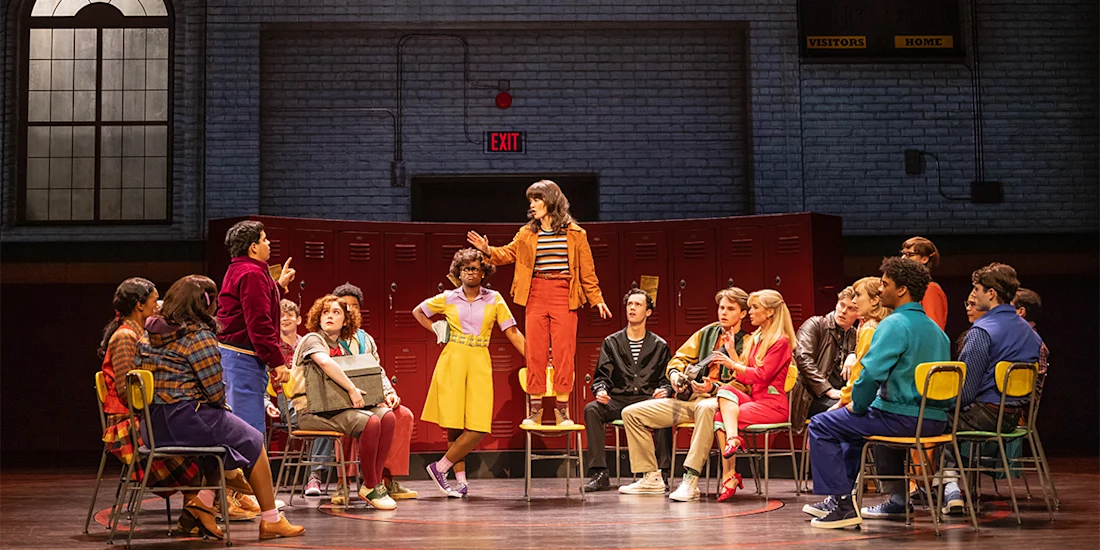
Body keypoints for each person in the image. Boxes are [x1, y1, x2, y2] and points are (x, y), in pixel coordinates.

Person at [138, 275, 304, 540]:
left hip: (152, 426)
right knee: (253, 439)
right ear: (205, 304)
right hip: (186, 418)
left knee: (222, 441)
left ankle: (200, 506)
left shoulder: (147, 337)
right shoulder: (198, 337)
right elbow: (215, 391)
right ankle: (271, 519)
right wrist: (220, 406)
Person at [803, 257, 950, 529]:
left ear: (902, 289)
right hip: (935, 421)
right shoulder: (937, 331)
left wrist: (856, 407)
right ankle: (844, 498)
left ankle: (844, 505)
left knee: (822, 424)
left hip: (902, 419)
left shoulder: (894, 324)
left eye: (885, 284)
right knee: (851, 430)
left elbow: (869, 375)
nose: (880, 290)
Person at [466, 180, 610, 426]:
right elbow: (508, 254)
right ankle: (536, 411)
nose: (532, 205)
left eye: (536, 199)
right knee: (535, 352)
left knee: (564, 352)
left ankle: (561, 411)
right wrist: (487, 249)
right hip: (536, 292)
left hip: (564, 292)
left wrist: (596, 298)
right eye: (530, 200)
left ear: (551, 201)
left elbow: (587, 271)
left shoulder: (576, 233)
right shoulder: (527, 233)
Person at [413, 249, 526, 497]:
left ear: (484, 272)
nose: (470, 273)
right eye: (465, 269)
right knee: (454, 425)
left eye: (475, 268)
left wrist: (536, 358)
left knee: (478, 425)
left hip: (479, 360)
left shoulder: (495, 299)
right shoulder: (448, 297)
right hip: (453, 359)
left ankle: (439, 467)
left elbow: (512, 331)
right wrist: (436, 329)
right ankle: (461, 482)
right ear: (458, 272)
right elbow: (418, 312)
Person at [619, 287, 749, 502]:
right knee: (631, 413)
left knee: (705, 407)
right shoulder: (706, 333)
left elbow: (746, 383)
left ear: (743, 314)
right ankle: (651, 477)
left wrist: (713, 389)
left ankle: (691, 479)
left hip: (720, 404)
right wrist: (675, 376)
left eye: (730, 309)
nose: (723, 313)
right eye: (721, 307)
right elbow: (679, 359)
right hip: (691, 400)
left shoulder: (749, 342)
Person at [98, 278, 205, 531]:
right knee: (189, 446)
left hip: (142, 416)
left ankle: (197, 513)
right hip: (127, 424)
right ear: (139, 305)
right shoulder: (125, 336)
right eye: (154, 299)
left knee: (192, 440)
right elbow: (128, 391)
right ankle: (197, 512)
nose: (159, 305)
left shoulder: (142, 333)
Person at [938, 263, 1042, 515]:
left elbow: (967, 390)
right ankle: (947, 484)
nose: (973, 295)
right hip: (1012, 417)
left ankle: (948, 486)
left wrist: (937, 405)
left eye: (977, 289)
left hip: (986, 414)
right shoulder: (1030, 333)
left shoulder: (983, 331)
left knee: (931, 418)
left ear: (992, 293)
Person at [286, 295, 398, 510]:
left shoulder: (341, 346)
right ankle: (371, 485)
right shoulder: (313, 339)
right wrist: (352, 389)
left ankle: (373, 483)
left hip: (334, 408)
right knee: (371, 422)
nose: (329, 316)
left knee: (387, 416)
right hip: (310, 412)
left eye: (336, 312)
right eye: (325, 312)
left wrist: (382, 394)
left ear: (346, 320)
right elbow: (325, 362)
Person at [332, 283, 418, 500]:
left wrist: (389, 393)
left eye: (354, 307)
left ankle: (386, 480)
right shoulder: (328, 339)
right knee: (352, 422)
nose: (350, 311)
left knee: (403, 416)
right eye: (345, 307)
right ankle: (343, 483)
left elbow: (377, 370)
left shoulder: (365, 338)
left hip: (370, 400)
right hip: (341, 401)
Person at [583, 289, 673, 492]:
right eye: (629, 304)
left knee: (664, 410)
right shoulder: (612, 342)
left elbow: (666, 380)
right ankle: (600, 473)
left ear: (648, 312)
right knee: (592, 409)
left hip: (646, 400)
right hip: (619, 399)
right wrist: (601, 390)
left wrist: (665, 391)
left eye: (638, 305)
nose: (632, 308)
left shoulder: (659, 345)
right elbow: (601, 377)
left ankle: (661, 473)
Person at [712, 290, 797, 502]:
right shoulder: (757, 338)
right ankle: (732, 448)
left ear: (769, 312)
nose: (750, 312)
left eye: (754, 308)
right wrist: (732, 352)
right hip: (755, 400)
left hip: (773, 405)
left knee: (721, 417)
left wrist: (732, 364)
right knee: (724, 391)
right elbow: (744, 377)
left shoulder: (781, 341)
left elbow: (761, 376)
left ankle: (729, 475)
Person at [216, 220, 296, 435]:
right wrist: (277, 362)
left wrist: (278, 287)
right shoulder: (252, 273)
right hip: (242, 360)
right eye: (264, 239)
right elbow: (258, 323)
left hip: (239, 358)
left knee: (245, 428)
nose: (268, 243)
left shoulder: (241, 269)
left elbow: (251, 308)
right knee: (248, 431)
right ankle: (247, 469)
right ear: (253, 247)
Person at [789, 288, 858, 430]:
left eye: (851, 308)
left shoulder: (855, 335)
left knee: (860, 409)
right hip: (810, 397)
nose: (843, 311)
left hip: (840, 393)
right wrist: (828, 390)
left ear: (859, 314)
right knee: (845, 413)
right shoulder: (815, 324)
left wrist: (854, 354)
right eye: (842, 305)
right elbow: (803, 359)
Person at [832, 277, 893, 410]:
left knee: (819, 423)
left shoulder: (870, 328)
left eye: (858, 295)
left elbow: (862, 371)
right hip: (881, 397)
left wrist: (844, 399)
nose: (854, 301)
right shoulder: (884, 325)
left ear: (875, 300)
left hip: (874, 400)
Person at [901, 236, 947, 330]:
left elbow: (933, 328)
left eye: (910, 254)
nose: (903, 258)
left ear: (924, 259)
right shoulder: (912, 288)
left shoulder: (930, 288)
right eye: (903, 254)